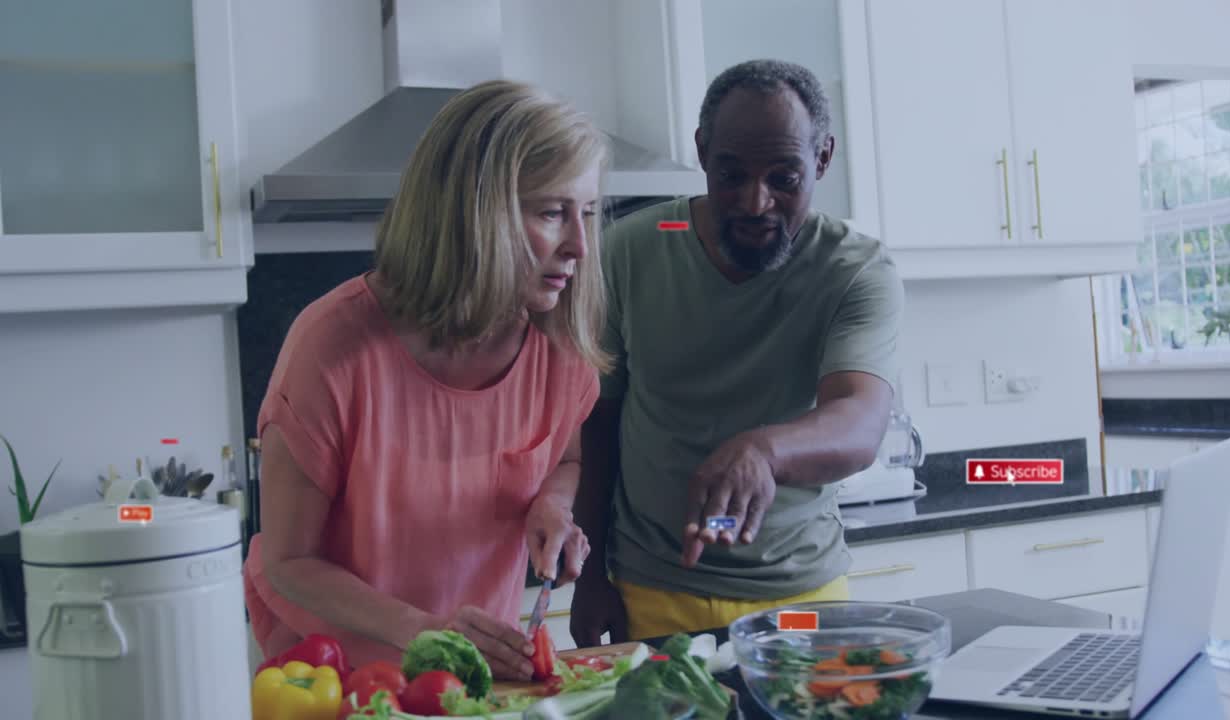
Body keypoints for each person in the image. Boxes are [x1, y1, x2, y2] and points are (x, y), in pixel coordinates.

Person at [243, 79, 613, 680]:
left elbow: (564, 459)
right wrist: (422, 630)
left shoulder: (555, 346)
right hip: (335, 675)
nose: (580, 246)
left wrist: (551, 507)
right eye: (551, 212)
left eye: (588, 214)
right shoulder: (333, 348)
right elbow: (288, 562)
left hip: (468, 675)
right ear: (471, 212)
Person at [570, 59, 905, 645]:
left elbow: (861, 419)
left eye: (784, 177)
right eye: (731, 174)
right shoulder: (631, 251)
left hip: (801, 601)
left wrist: (764, 450)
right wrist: (590, 573)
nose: (755, 202)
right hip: (652, 595)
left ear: (822, 158)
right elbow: (599, 425)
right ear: (702, 152)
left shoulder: (853, 269)